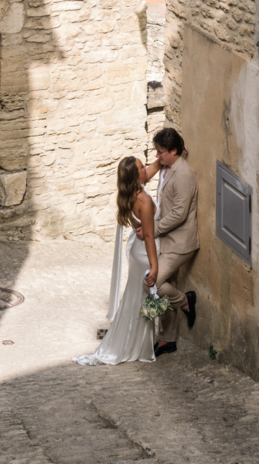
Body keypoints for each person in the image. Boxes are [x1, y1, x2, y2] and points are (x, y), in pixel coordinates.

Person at [75, 155, 158, 365]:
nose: (145, 168)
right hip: (145, 254)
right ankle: (137, 345)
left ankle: (133, 341)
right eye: (141, 167)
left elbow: (149, 172)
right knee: (141, 299)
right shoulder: (144, 201)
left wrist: (164, 158)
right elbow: (149, 235)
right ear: (135, 176)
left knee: (134, 298)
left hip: (136, 252)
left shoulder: (128, 194)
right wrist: (154, 266)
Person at [144, 127, 198, 357]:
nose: (158, 156)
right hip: (167, 241)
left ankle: (185, 301)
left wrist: (152, 230)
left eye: (161, 152)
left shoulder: (184, 175)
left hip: (180, 244)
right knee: (166, 286)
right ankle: (167, 340)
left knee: (153, 283)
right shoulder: (170, 165)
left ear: (173, 151)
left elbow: (179, 214)